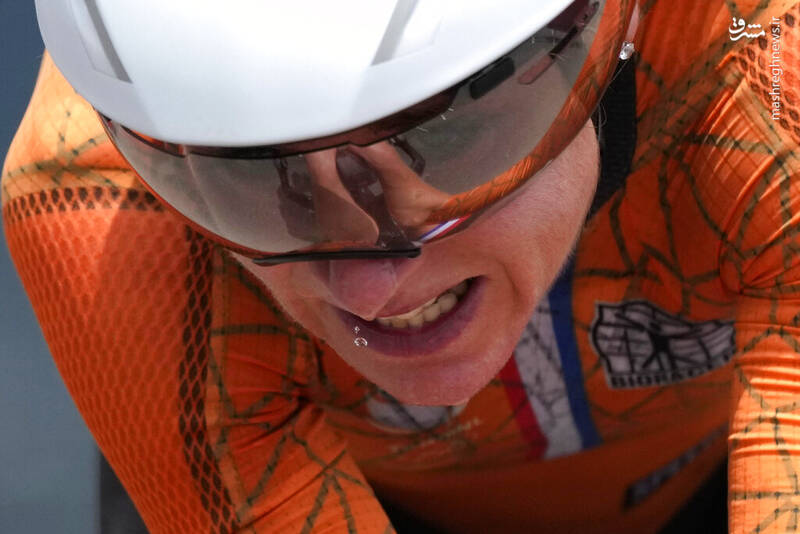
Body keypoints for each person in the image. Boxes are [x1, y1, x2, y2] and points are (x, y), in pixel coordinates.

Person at [3, 0, 800, 532]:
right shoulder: (88, 198)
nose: (369, 289)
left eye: (443, 137)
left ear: (610, 32)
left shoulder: (769, 67)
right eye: (248, 182)